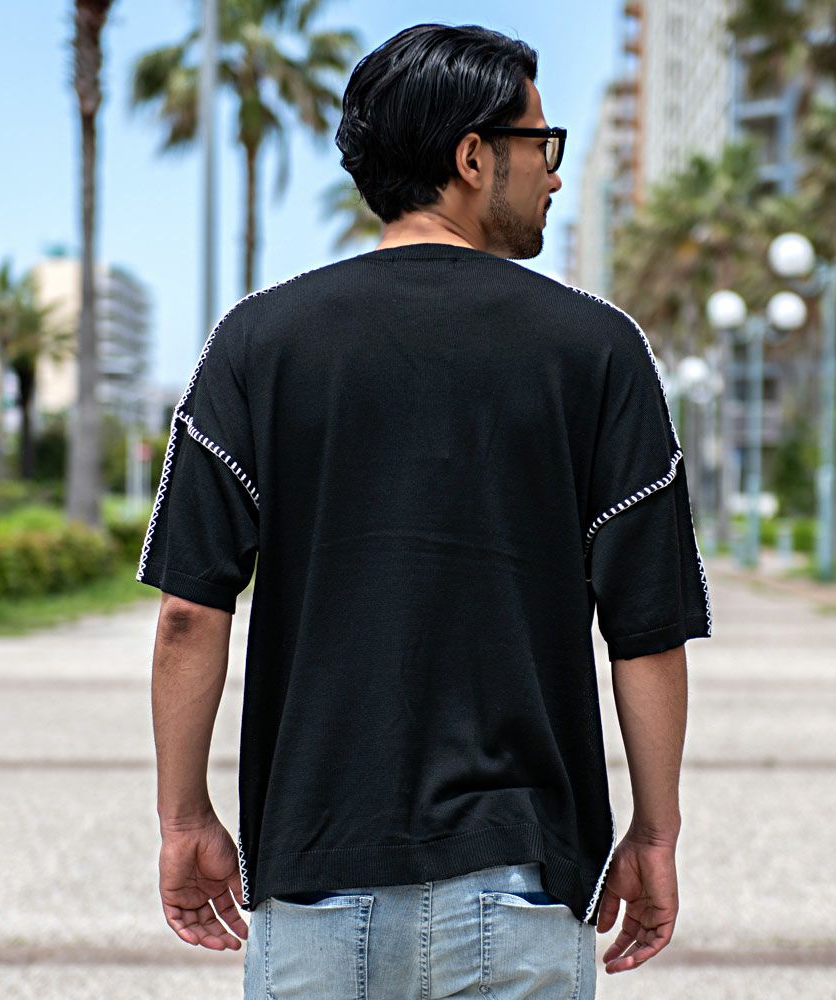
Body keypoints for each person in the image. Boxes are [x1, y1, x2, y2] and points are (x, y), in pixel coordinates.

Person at [137, 22, 712, 1000]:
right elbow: (646, 627)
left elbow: (190, 613)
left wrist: (183, 818)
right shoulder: (598, 349)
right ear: (473, 157)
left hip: (312, 877)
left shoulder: (257, 341)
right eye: (542, 143)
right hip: (522, 881)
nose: (555, 175)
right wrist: (654, 834)